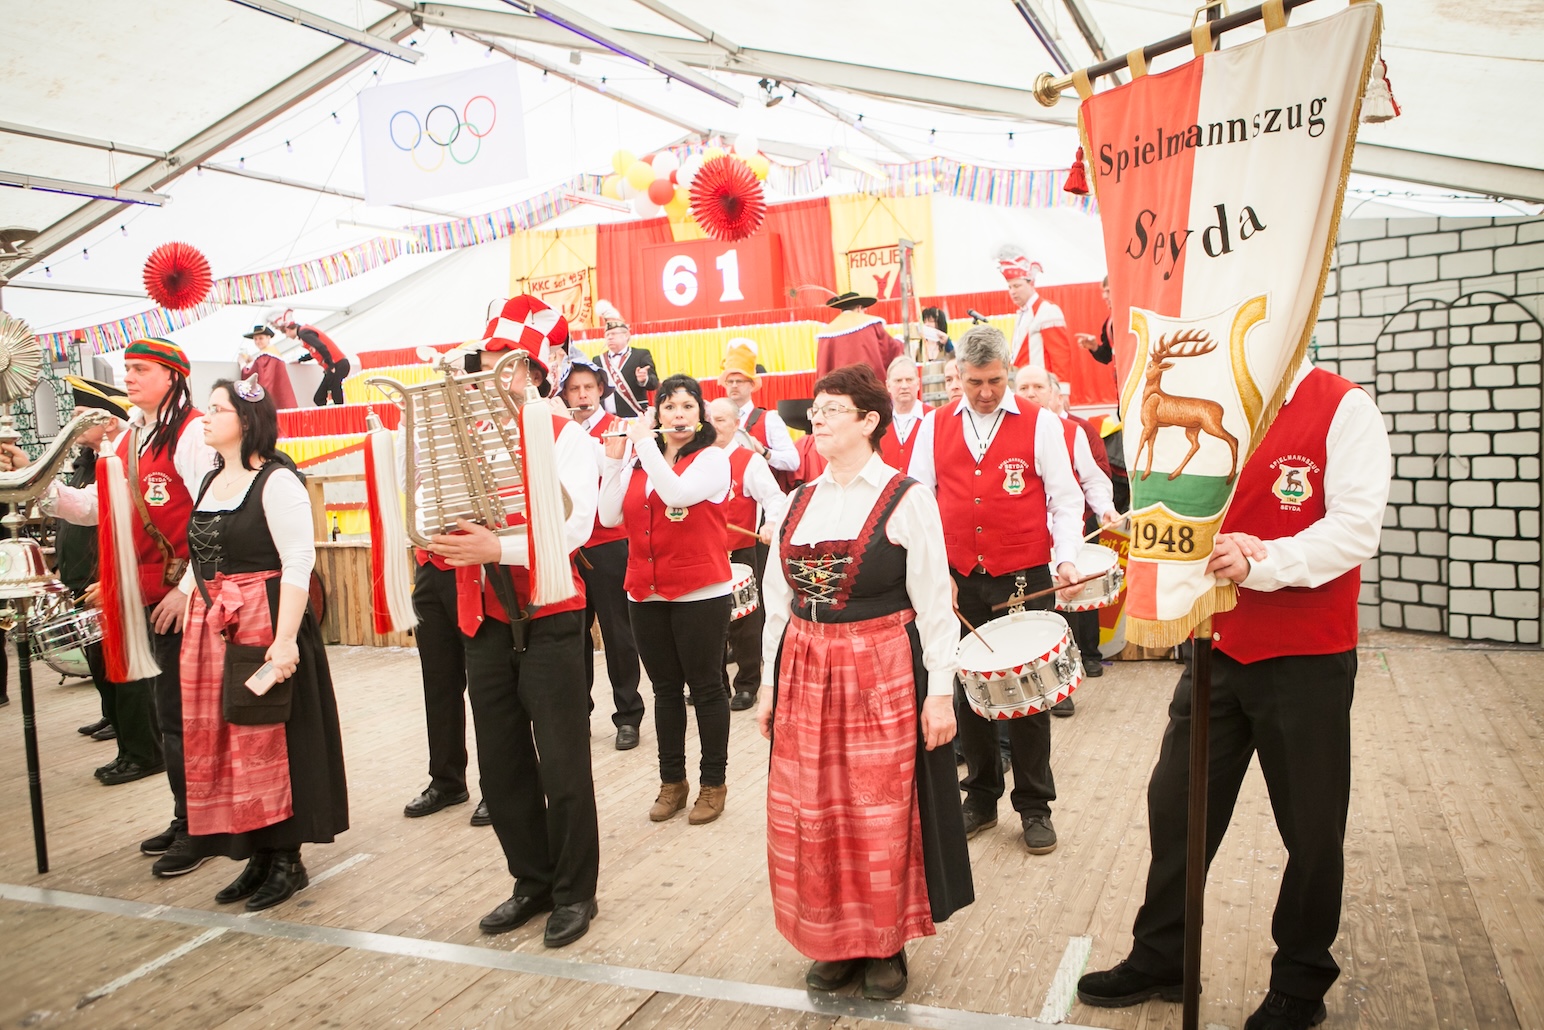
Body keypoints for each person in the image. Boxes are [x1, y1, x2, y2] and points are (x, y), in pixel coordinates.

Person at [1076, 360, 1391, 1030]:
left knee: (1311, 829)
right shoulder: (1219, 396)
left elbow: (1356, 527)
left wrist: (1265, 561)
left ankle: (1300, 983)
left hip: (1305, 656)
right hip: (1216, 643)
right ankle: (1163, 956)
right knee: (1177, 806)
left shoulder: (1343, 406)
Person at [757, 363, 973, 1001]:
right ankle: (834, 941)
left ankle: (884, 943)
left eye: (831, 410)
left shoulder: (907, 498)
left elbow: (935, 605)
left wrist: (941, 694)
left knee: (879, 810)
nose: (817, 420)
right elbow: (777, 606)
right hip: (805, 670)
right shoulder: (796, 500)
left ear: (869, 421)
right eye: (815, 411)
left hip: (881, 670)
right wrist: (768, 686)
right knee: (813, 809)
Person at [4, 339, 218, 876]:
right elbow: (97, 508)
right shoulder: (129, 438)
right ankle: (187, 816)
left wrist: (186, 588)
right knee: (169, 717)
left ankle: (202, 826)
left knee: (184, 718)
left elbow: (214, 514)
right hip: (145, 597)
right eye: (127, 368)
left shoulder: (193, 434)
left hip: (184, 599)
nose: (129, 377)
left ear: (173, 376)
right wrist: (35, 481)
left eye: (141, 369)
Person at [426, 348, 602, 949]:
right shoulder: (462, 439)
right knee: (500, 767)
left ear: (537, 373)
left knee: (564, 765)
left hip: (551, 614)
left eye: (510, 363)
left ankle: (575, 891)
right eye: (488, 362)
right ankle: (532, 882)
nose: (494, 375)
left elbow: (576, 527)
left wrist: (497, 549)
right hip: (483, 618)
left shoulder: (567, 436)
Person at [907, 326, 1085, 855]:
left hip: (1022, 577)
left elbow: (1065, 498)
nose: (985, 392)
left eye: (995, 381)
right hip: (958, 577)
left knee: (1027, 695)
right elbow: (919, 505)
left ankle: (1034, 806)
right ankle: (981, 798)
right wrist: (935, 575)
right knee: (969, 689)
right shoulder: (933, 426)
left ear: (1008, 370)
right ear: (957, 375)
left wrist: (1067, 557)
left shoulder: (1041, 423)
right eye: (974, 382)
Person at [179, 376, 349, 910]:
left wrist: (285, 639)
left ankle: (286, 860)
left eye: (217, 409)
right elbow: (200, 556)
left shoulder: (277, 481)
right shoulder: (210, 480)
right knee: (233, 738)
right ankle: (256, 853)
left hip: (267, 620)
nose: (206, 418)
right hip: (218, 624)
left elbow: (299, 560)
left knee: (274, 734)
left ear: (247, 421)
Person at [599, 375, 733, 826]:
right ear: (656, 414)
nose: (678, 415)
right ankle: (672, 782)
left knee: (707, 688)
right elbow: (608, 516)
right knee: (664, 690)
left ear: (700, 415)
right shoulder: (642, 461)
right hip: (645, 589)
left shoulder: (712, 459)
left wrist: (643, 445)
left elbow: (678, 493)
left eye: (687, 407)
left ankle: (713, 783)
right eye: (669, 407)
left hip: (701, 591)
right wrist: (613, 463)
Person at [1015, 366, 1119, 692]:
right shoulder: (1005, 433)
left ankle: (1073, 674)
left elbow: (1092, 479)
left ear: (1052, 392)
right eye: (1024, 387)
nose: (1030, 393)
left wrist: (1105, 508)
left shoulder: (1073, 432)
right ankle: (1047, 687)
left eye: (1037, 386)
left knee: (1070, 607)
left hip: (1064, 536)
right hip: (1024, 542)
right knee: (1037, 617)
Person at [561, 357, 645, 751]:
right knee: (571, 638)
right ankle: (576, 715)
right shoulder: (557, 432)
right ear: (564, 395)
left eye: (588, 388)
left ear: (600, 390)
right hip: (568, 546)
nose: (582, 395)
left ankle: (628, 716)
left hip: (609, 543)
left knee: (618, 635)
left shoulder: (618, 428)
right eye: (574, 389)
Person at [56, 377, 129, 744]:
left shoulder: (118, 460)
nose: (75, 422)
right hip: (81, 574)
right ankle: (110, 713)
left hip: (102, 574)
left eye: (82, 415)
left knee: (112, 653)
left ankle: (125, 722)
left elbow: (94, 510)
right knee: (96, 655)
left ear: (109, 421)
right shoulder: (86, 461)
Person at [706, 397, 787, 713]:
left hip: (740, 550)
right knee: (708, 621)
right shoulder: (696, 459)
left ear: (736, 423)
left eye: (721, 419)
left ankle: (747, 684)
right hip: (705, 551)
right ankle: (715, 684)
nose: (714, 426)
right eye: (710, 419)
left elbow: (774, 498)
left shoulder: (749, 461)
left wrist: (770, 523)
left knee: (744, 620)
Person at [721, 342, 799, 486]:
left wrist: (764, 452)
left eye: (739, 381)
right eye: (730, 381)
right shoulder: (716, 419)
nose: (734, 385)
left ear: (752, 385)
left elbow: (793, 461)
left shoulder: (769, 419)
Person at [997, 245, 1074, 376]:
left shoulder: (1047, 311)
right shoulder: (1022, 314)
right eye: (1010, 287)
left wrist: (1061, 387)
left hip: (1040, 382)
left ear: (1031, 283)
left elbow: (1060, 356)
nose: (1012, 292)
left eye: (1017, 286)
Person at [815, 292, 903, 382]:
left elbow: (823, 369)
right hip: (869, 384)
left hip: (840, 387)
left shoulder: (827, 333)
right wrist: (900, 340)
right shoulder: (872, 325)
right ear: (859, 308)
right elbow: (890, 349)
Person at [596, 308, 658, 418]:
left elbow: (654, 383)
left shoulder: (640, 355)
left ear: (626, 336)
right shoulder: (598, 360)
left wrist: (644, 379)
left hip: (635, 414)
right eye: (607, 335)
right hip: (607, 416)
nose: (610, 337)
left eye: (613, 334)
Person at [285, 321, 351, 407]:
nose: (287, 336)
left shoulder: (303, 333)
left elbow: (321, 346)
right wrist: (300, 360)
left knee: (332, 397)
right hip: (337, 364)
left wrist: (330, 365)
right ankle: (333, 413)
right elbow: (316, 351)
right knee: (322, 398)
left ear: (288, 330)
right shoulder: (304, 331)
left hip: (336, 364)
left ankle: (338, 414)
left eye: (286, 333)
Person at [881, 356, 929, 472]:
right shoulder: (879, 421)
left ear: (918, 383)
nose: (904, 386)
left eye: (909, 380)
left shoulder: (933, 417)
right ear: (888, 386)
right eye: (898, 381)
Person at [240, 324, 298, 410]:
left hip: (270, 400)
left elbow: (252, 375)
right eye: (255, 339)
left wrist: (242, 364)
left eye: (261, 338)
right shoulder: (273, 353)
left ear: (268, 338)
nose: (258, 341)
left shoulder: (265, 356)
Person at [1075, 277, 1114, 365]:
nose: (1104, 296)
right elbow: (1107, 356)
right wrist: (1095, 347)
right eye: (1104, 292)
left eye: (1108, 291)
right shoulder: (1110, 322)